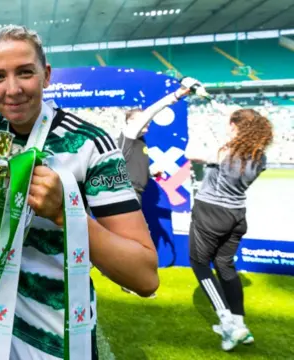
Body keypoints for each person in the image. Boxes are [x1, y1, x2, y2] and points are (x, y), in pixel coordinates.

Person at [0, 24, 159, 359]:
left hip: (53, 340)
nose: (13, 89)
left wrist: (67, 213)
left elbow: (144, 275)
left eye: (25, 73)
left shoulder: (88, 144)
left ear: (46, 75)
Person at [184, 108, 273, 351]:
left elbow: (190, 153)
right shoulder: (260, 156)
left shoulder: (225, 151)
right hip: (237, 215)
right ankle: (241, 324)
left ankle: (227, 324)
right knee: (225, 265)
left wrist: (204, 128)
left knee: (200, 264)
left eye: (230, 124)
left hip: (211, 211)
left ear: (235, 126)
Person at [117, 79, 195, 203]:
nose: (147, 122)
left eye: (147, 121)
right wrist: (176, 95)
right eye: (143, 120)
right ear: (129, 122)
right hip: (125, 195)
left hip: (134, 194)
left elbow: (132, 168)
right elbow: (150, 112)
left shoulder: (139, 140)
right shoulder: (128, 135)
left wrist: (150, 172)